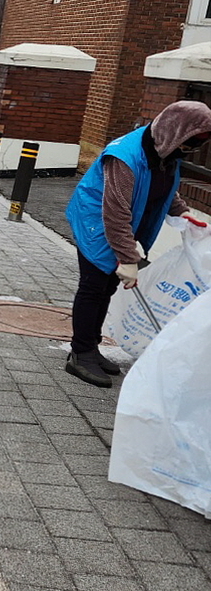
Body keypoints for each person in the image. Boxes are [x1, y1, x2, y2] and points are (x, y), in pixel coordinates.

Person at [64, 99, 211, 388]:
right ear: (176, 131)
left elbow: (163, 186)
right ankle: (80, 354)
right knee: (93, 286)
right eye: (191, 142)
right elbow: (115, 212)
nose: (191, 150)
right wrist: (127, 258)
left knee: (107, 286)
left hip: (123, 223)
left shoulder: (166, 152)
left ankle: (90, 345)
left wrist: (180, 211)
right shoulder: (124, 156)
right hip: (97, 220)